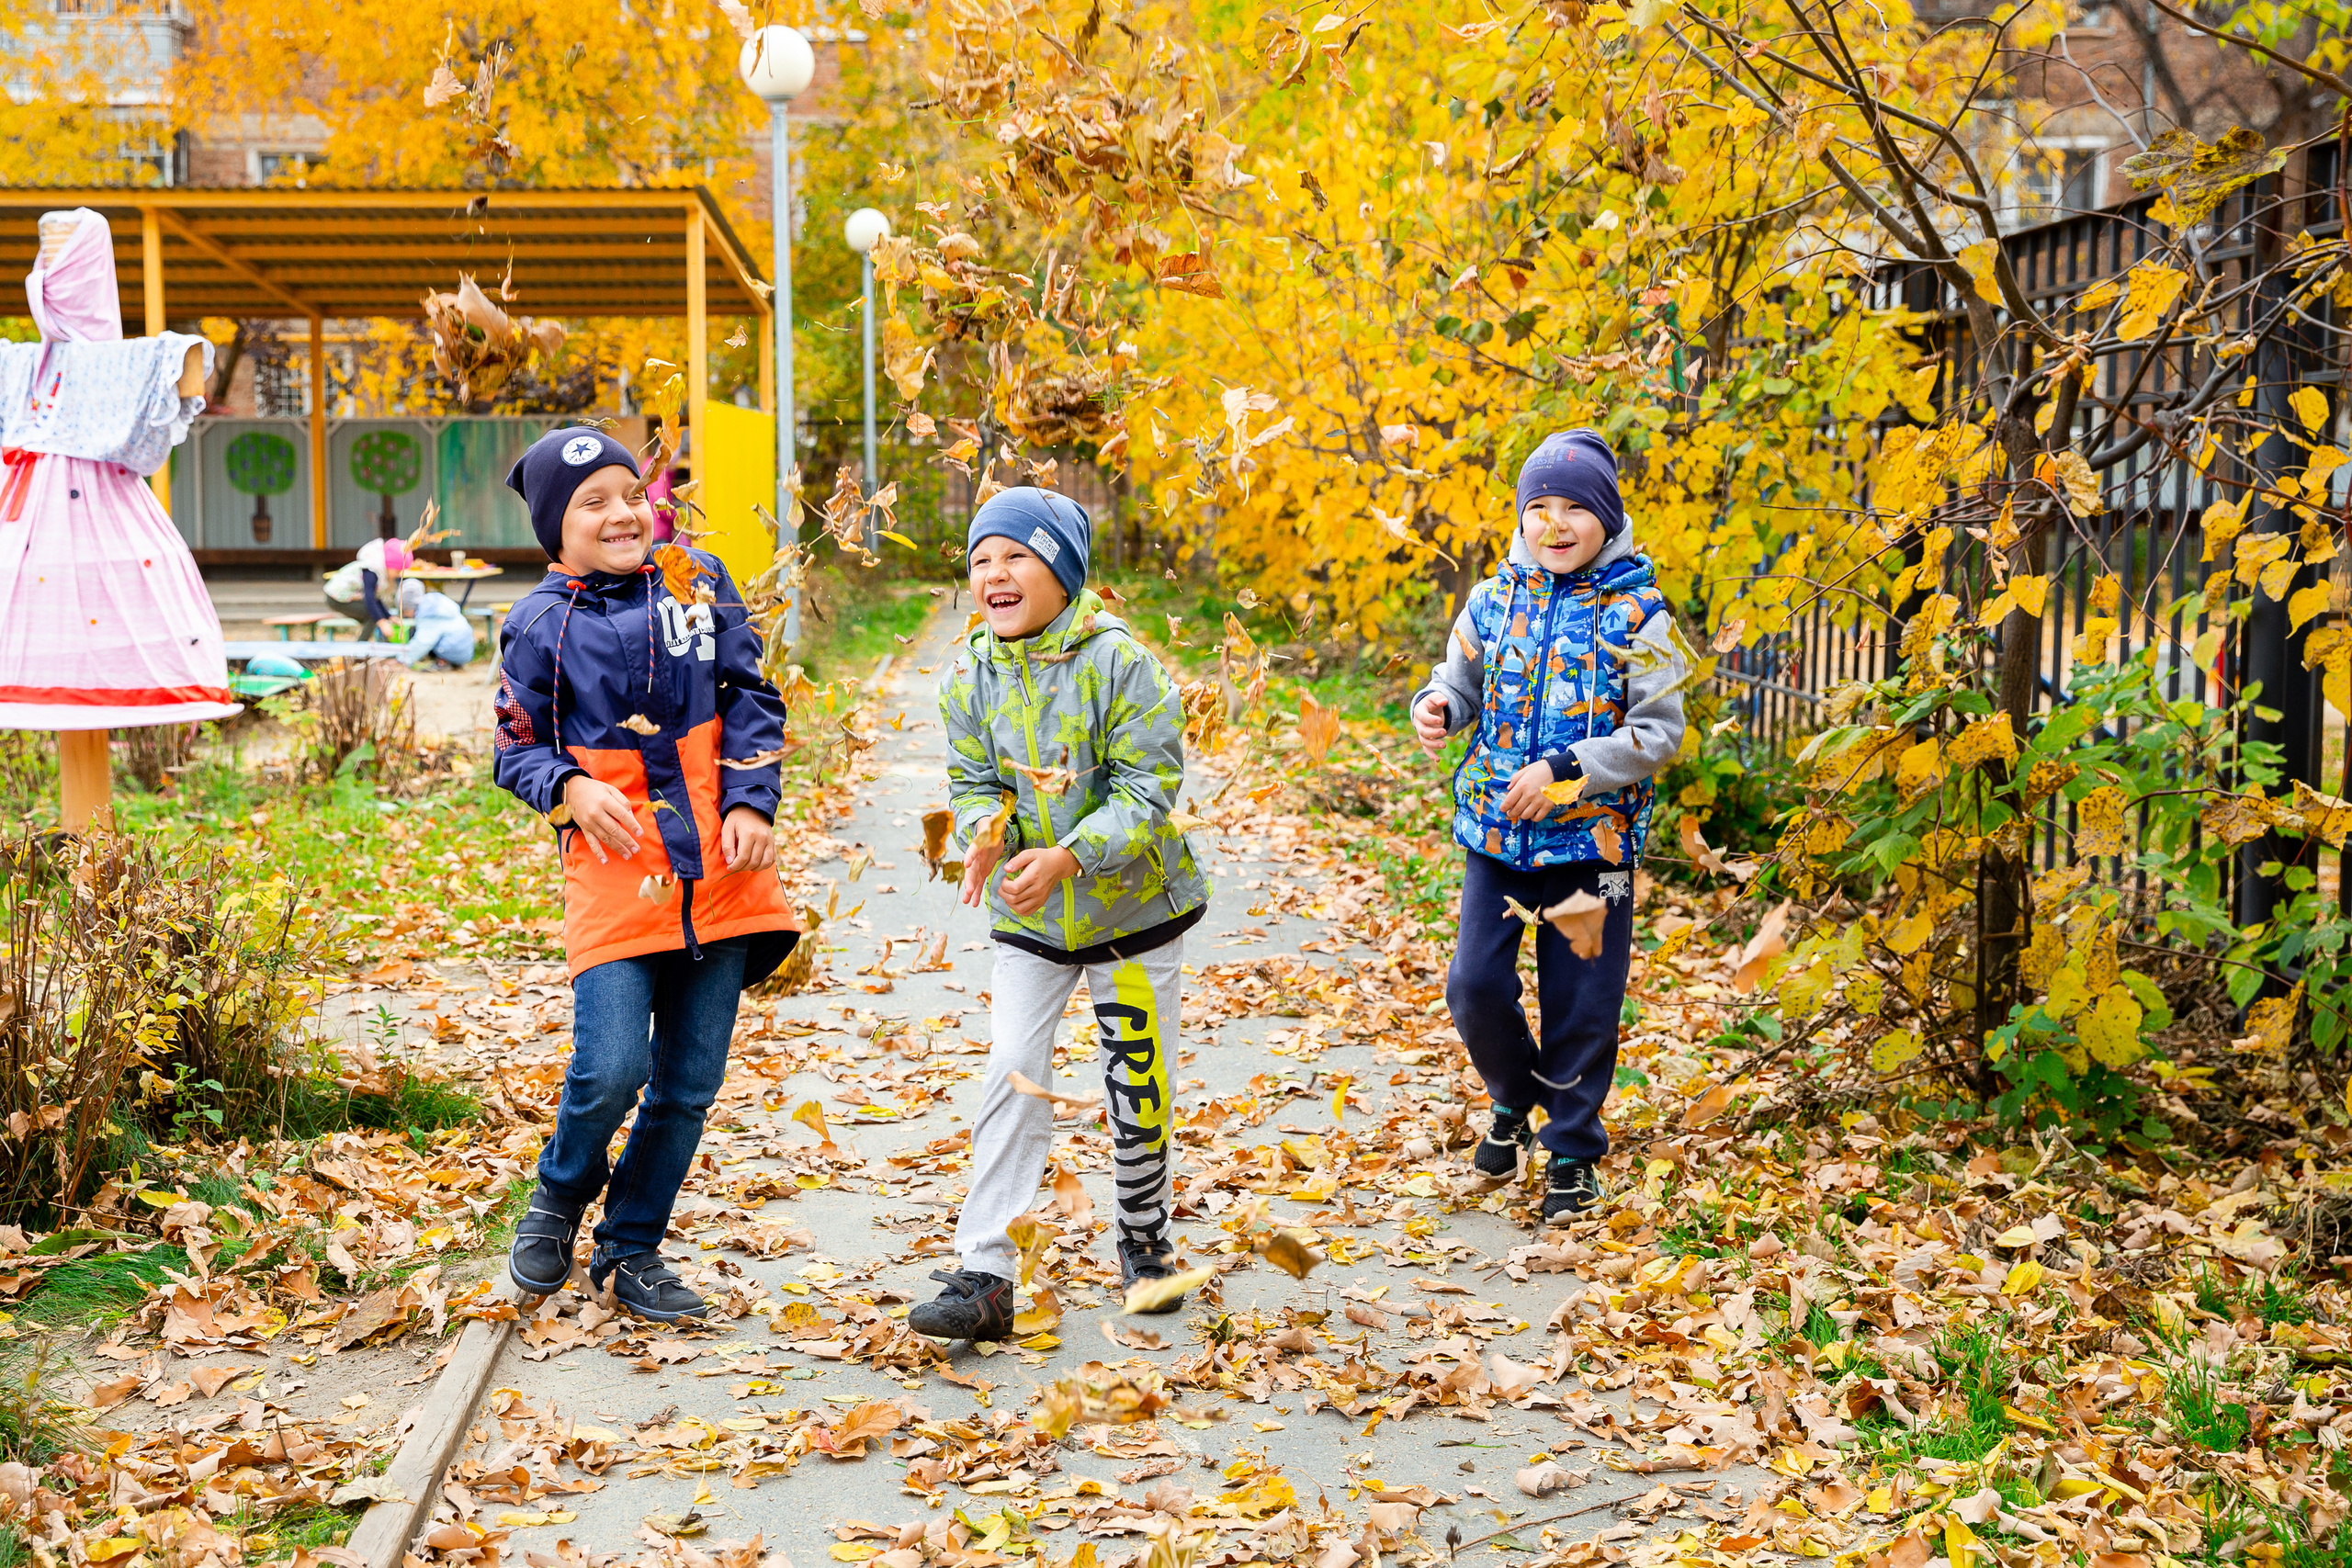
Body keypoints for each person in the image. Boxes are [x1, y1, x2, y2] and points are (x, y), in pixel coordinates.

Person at [491, 425, 800, 1323]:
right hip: (617, 876)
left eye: (633, 493)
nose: (623, 513)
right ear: (557, 527)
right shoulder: (536, 625)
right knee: (613, 1066)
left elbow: (752, 698)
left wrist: (751, 800)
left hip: (720, 877)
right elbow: (514, 751)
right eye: (594, 503)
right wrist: (571, 787)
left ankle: (631, 1251)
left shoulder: (697, 584)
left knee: (689, 1084)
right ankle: (558, 1194)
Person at [908, 487, 1211, 1343]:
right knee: (1011, 1066)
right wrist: (986, 833)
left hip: (1133, 910)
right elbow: (973, 785)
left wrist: (1071, 853)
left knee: (1137, 1082)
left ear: (1064, 574)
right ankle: (988, 1271)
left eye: (1016, 555)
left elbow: (1149, 788)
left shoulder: (1122, 664)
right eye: (980, 560)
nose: (994, 573)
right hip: (1032, 919)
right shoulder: (968, 673)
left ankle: (1146, 1241)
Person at [1409, 429, 1688, 1225]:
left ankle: (1571, 1147)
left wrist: (1569, 769)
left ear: (1608, 517)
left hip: (1594, 847)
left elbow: (1660, 733)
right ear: (1521, 516)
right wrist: (1438, 708)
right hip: (1498, 836)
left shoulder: (1647, 612)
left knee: (1582, 1003)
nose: (1556, 524)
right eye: (1540, 508)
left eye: (1576, 509)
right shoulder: (1493, 598)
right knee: (1474, 984)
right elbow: (1455, 679)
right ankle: (1514, 1096)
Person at [0, 208, 235, 732]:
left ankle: (91, 814)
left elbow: (188, 368)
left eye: (62, 257)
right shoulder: (17, 365)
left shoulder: (134, 363)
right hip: (23, 525)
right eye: (45, 255)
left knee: (112, 612)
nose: (47, 275)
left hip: (101, 511)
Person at [324, 535, 413, 640]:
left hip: (347, 597)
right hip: (336, 597)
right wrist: (382, 622)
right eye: (397, 571)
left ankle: (368, 645)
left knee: (375, 616)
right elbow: (369, 599)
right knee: (372, 616)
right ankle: (360, 650)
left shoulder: (378, 572)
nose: (398, 575)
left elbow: (376, 599)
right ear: (388, 565)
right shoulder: (371, 571)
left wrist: (389, 616)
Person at [394, 577, 476, 670]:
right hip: (464, 646)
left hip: (454, 649)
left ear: (409, 607)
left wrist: (402, 660)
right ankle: (450, 662)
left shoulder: (429, 614)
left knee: (426, 639)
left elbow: (422, 642)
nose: (405, 614)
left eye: (404, 611)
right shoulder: (432, 603)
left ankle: (444, 662)